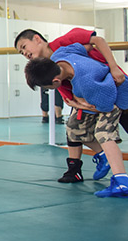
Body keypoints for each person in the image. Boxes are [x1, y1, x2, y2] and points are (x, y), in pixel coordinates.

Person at [15, 28, 119, 183]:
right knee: (73, 126)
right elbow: (69, 98)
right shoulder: (48, 69)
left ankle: (115, 169)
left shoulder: (65, 44)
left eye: (24, 47)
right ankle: (76, 169)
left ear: (37, 39)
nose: (24, 53)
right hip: (88, 97)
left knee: (104, 131)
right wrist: (84, 105)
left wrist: (114, 66)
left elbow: (97, 41)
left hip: (110, 84)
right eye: (21, 52)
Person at [25, 46, 128, 197]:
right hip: (102, 92)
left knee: (103, 133)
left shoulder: (84, 85)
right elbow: (83, 47)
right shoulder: (61, 54)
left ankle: (121, 181)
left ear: (56, 81)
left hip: (117, 96)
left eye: (49, 87)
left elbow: (105, 107)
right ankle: (103, 156)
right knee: (74, 128)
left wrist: (77, 104)